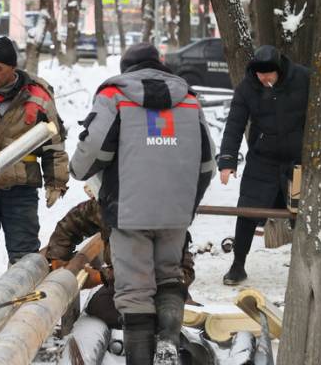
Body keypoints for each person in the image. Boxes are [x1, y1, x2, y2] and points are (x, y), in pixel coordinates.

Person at [70, 43, 215, 365]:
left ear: (127, 69)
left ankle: (140, 360)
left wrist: (79, 170)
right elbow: (207, 164)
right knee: (169, 277)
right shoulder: (190, 100)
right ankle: (167, 341)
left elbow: (94, 148)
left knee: (134, 289)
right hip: (175, 212)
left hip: (129, 209)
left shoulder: (114, 96)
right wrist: (187, 203)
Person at [0, 36, 69, 305]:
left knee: (23, 255)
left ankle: (17, 312)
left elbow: (53, 142)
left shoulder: (38, 96)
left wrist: (57, 181)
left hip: (21, 188)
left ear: (13, 68)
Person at [45, 182, 199, 331]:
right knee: (99, 306)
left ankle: (172, 318)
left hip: (164, 280)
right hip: (126, 283)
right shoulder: (105, 205)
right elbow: (70, 225)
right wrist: (57, 258)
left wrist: (102, 277)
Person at [217, 45, 309, 285]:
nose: (264, 79)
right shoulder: (248, 87)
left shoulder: (303, 78)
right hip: (262, 159)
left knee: (303, 214)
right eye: (260, 74)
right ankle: (238, 264)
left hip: (298, 160)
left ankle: (306, 267)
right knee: (247, 210)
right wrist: (227, 160)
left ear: (279, 70)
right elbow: (235, 123)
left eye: (269, 74)